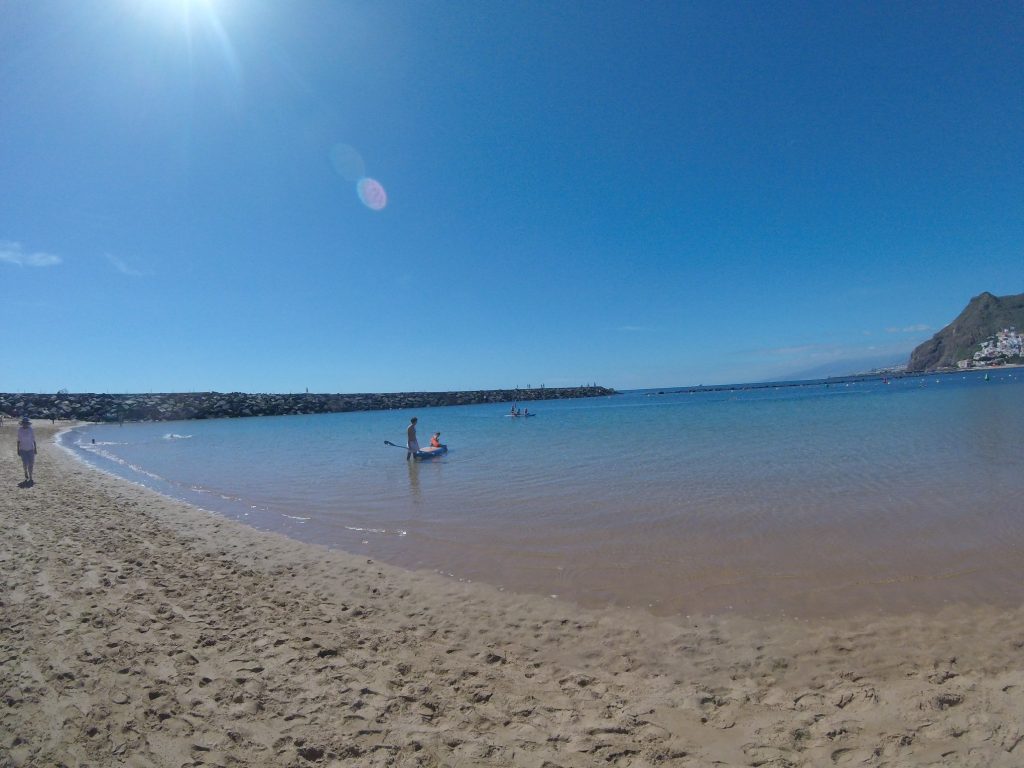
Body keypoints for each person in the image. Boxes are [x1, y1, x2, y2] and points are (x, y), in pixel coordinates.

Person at [17, 417, 37, 483]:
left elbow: (34, 440)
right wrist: (18, 450)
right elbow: (18, 441)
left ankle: (30, 476)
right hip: (22, 449)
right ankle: (25, 471)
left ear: (28, 423)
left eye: (26, 423)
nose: (25, 424)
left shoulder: (31, 429)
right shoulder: (20, 430)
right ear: (22, 423)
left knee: (31, 464)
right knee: (25, 463)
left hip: (31, 449)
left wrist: (35, 449)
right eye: (24, 423)